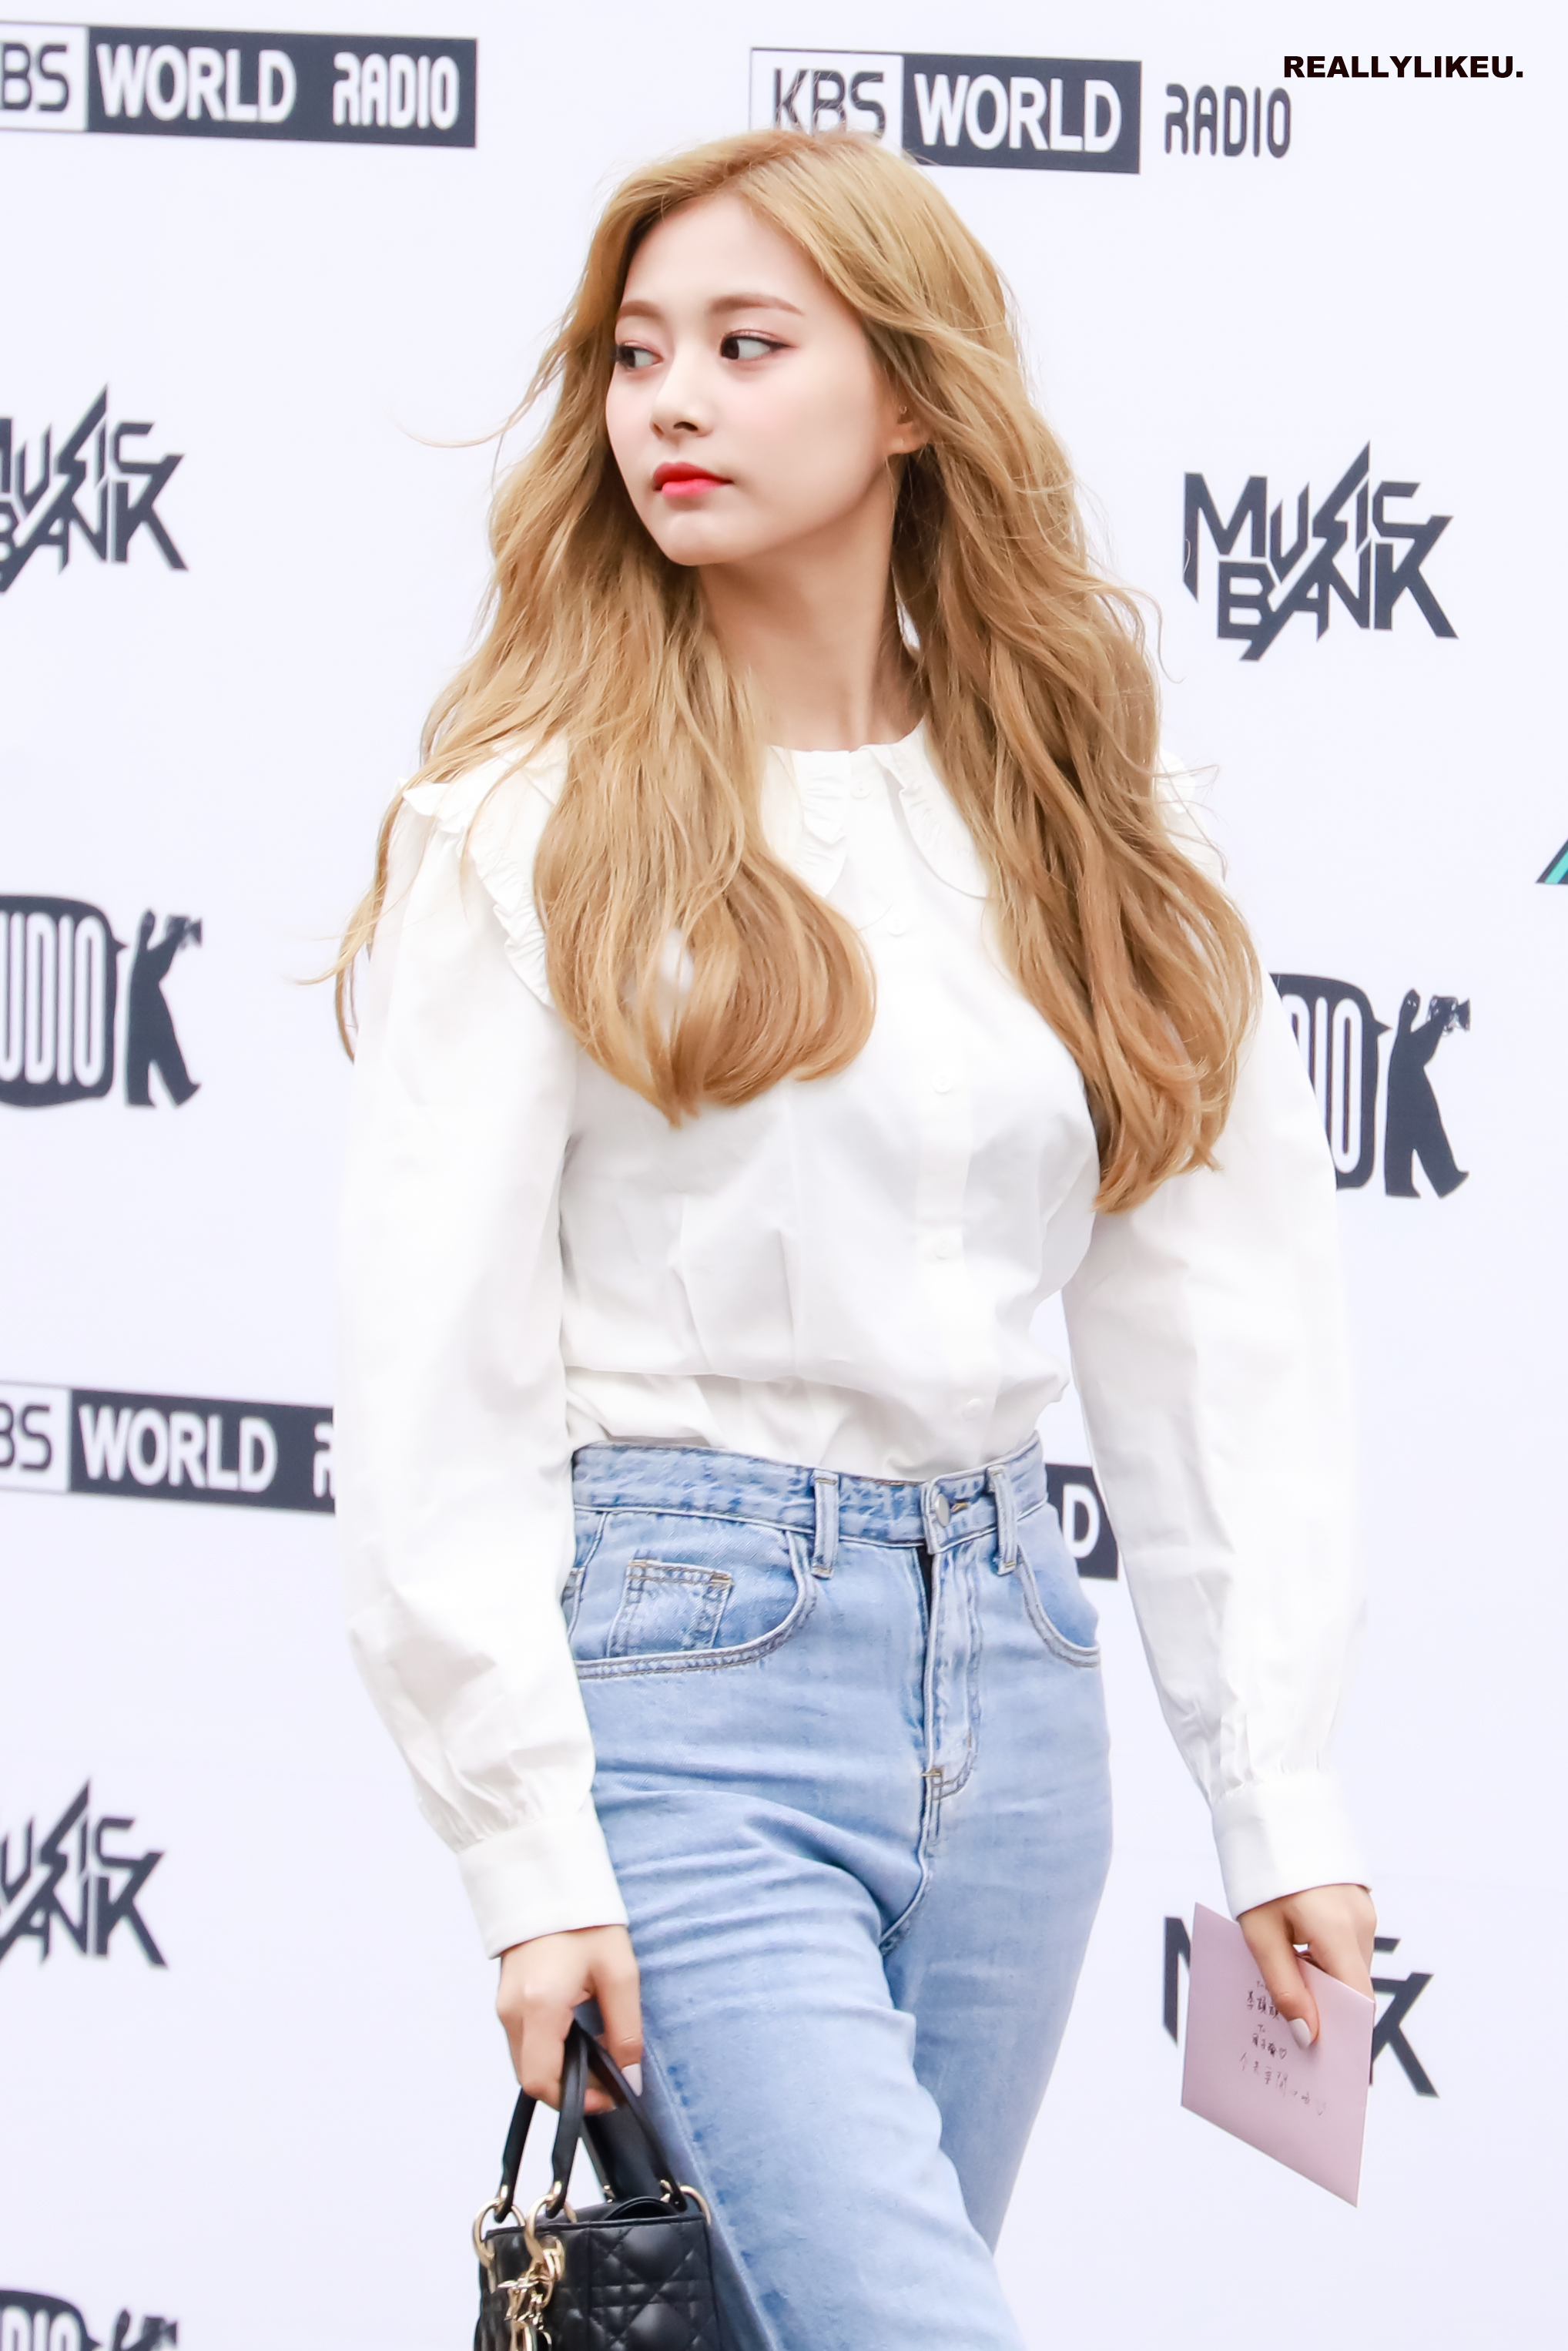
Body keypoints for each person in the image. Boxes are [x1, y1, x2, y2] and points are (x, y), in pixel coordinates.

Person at [335, 130, 1373, 2349]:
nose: (670, 405)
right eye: (636, 355)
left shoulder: (1089, 824)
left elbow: (1212, 1326)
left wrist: (1273, 1793)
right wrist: (525, 1852)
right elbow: (438, 1378)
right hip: (682, 1681)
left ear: (907, 393)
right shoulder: (527, 822)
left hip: (1014, 1691)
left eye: (745, 346)